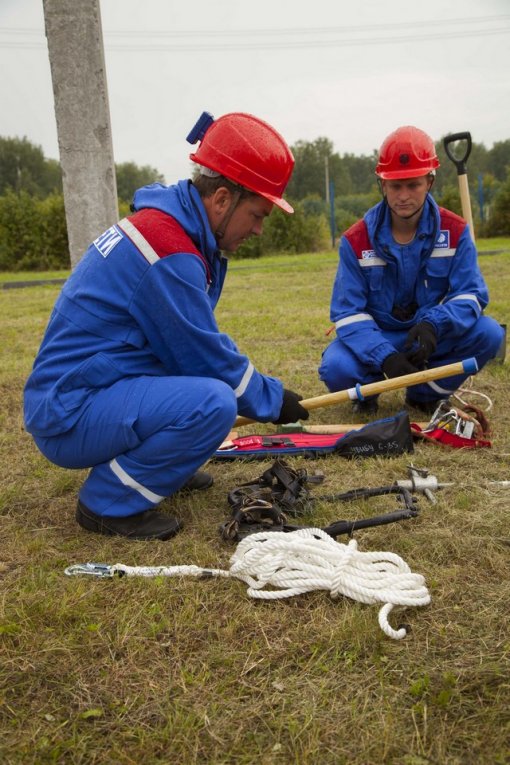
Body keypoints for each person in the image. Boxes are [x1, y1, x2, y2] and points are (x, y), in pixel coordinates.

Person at [23, 110, 309, 541]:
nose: (259, 229)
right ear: (222, 199)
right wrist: (271, 399)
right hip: (69, 414)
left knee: (204, 389)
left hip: (80, 393)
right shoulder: (166, 249)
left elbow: (188, 343)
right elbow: (203, 356)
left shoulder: (170, 228)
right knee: (214, 401)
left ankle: (163, 464)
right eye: (258, 214)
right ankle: (108, 503)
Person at [319, 125, 504, 415]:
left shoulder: (455, 231)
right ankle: (367, 395)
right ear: (382, 184)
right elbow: (347, 314)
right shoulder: (355, 240)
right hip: (379, 336)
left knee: (489, 333)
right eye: (395, 186)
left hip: (429, 336)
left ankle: (424, 394)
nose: (403, 195)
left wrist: (434, 325)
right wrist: (385, 357)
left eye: (413, 184)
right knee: (336, 367)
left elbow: (471, 295)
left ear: (430, 181)